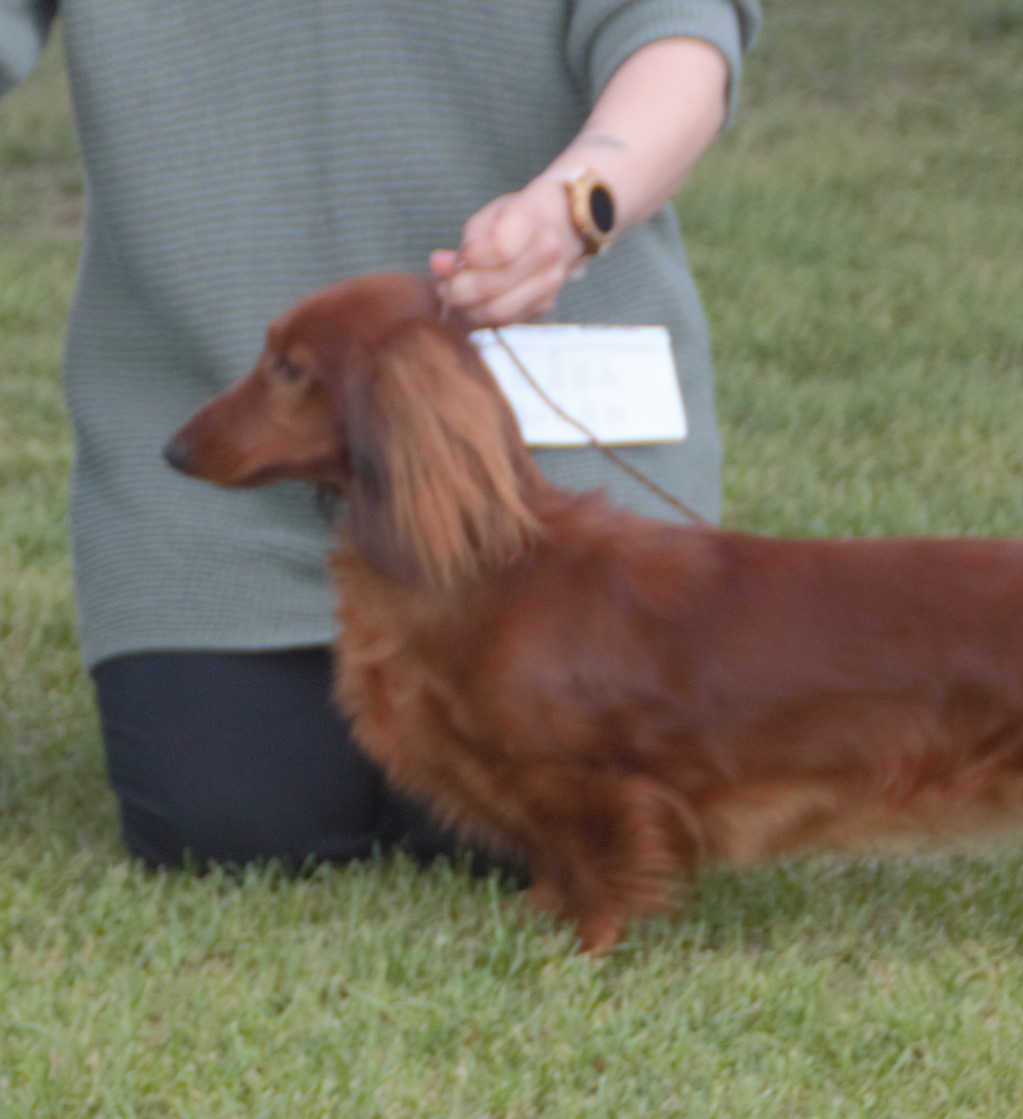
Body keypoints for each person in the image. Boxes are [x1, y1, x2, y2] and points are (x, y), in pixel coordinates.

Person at [0, 0, 760, 868]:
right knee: (231, 829)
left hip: (539, 461)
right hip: (210, 460)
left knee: (552, 832)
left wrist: (571, 210)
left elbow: (680, 38)